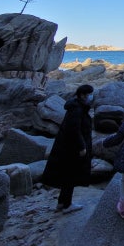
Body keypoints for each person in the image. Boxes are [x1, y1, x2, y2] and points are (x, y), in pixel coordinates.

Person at [42, 84, 94, 214]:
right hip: (72, 149)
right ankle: (67, 205)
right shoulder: (76, 109)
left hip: (68, 147)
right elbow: (74, 130)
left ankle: (62, 203)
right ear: (83, 95)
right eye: (90, 94)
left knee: (67, 176)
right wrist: (82, 146)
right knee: (71, 175)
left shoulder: (77, 107)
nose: (92, 97)